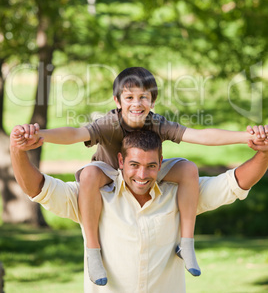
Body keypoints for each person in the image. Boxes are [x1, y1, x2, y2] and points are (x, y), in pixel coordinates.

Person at [14, 67, 268, 285]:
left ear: (152, 101)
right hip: (110, 172)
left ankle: (187, 243)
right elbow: (73, 134)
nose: (136, 103)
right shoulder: (109, 124)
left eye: (143, 97)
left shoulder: (157, 122)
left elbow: (200, 136)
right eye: (129, 97)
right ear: (117, 101)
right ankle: (93, 251)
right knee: (90, 174)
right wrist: (39, 135)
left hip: (145, 169)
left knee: (189, 168)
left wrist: (247, 137)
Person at [10, 128, 268, 293]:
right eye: (134, 164)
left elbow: (234, 183)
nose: (142, 175)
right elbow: (38, 188)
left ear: (161, 163)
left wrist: (264, 153)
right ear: (120, 161)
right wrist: (18, 152)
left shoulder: (180, 196)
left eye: (151, 166)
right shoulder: (93, 197)